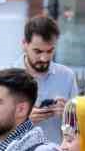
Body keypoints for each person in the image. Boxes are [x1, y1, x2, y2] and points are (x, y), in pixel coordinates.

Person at [21, 14, 77, 143]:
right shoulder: (7, 75)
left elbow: (77, 129)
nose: (44, 58)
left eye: (50, 51)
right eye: (38, 51)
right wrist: (24, 120)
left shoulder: (67, 76)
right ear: (24, 44)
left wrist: (67, 116)